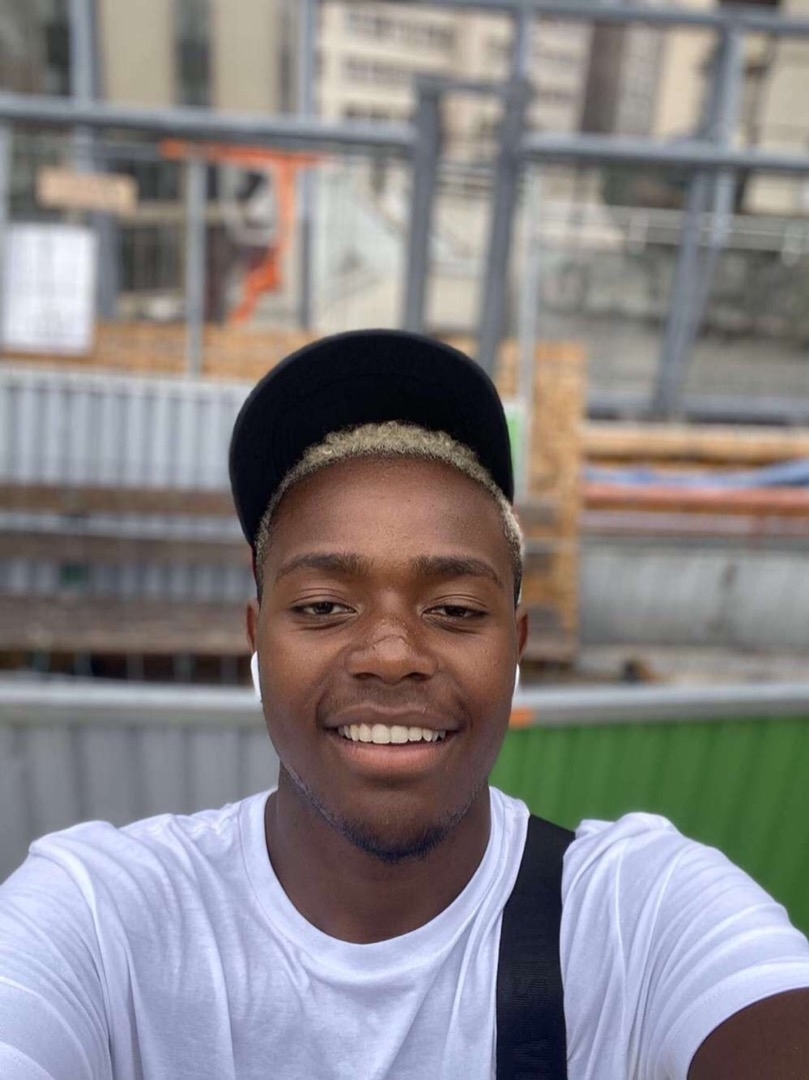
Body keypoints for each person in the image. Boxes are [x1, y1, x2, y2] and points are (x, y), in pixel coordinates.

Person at [1, 329, 809, 1080]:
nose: (391, 655)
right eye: (323, 607)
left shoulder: (637, 916)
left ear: (515, 647)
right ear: (257, 640)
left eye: (454, 609)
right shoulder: (99, 920)